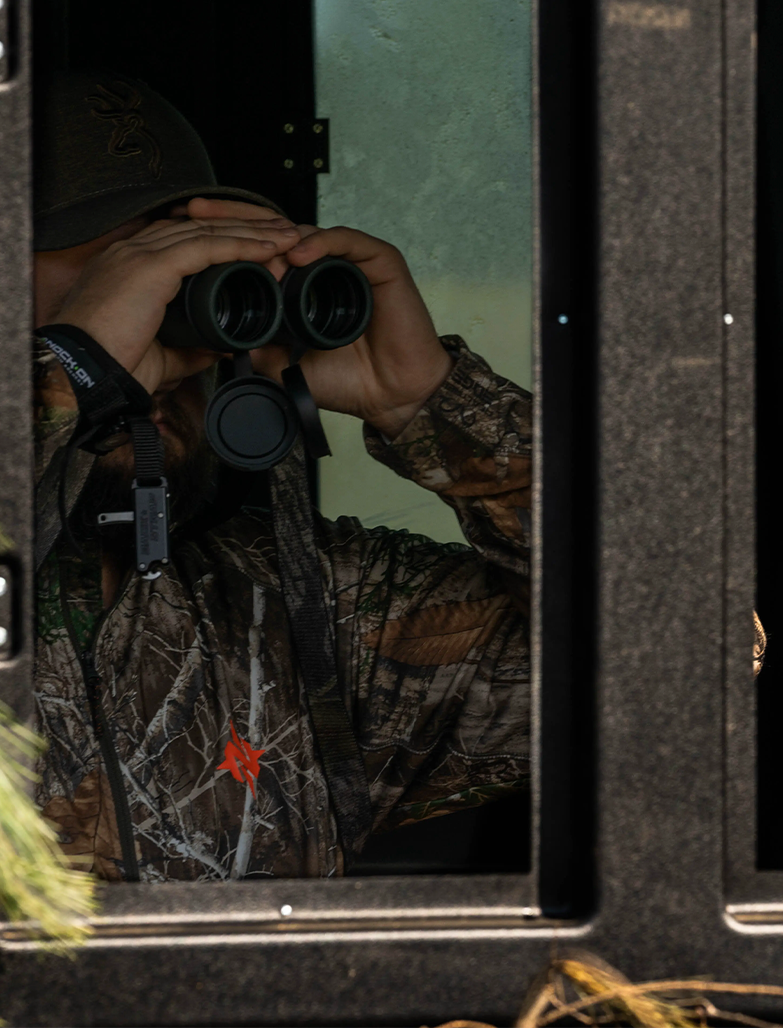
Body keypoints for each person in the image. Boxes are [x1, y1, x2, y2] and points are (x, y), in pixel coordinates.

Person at [31, 72, 531, 881]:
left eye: (184, 286)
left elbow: (695, 662)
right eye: (120, 281)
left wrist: (432, 405)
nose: (159, 331)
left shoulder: (299, 610)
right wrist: (70, 377)